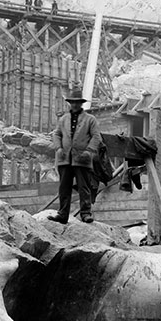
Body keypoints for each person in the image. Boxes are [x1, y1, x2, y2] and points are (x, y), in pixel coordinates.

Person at [48, 88, 101, 224]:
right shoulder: (63, 119)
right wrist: (58, 148)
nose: (75, 105)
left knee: (84, 186)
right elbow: (56, 134)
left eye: (77, 102)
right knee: (64, 187)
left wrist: (89, 151)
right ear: (70, 103)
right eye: (72, 102)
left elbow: (96, 137)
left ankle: (85, 213)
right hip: (65, 158)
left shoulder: (90, 119)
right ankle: (63, 214)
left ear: (81, 103)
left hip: (82, 159)